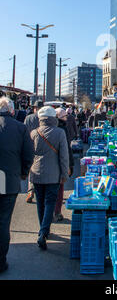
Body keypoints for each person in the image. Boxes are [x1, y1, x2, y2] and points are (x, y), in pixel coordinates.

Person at [0, 97, 34, 273]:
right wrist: (23, 173)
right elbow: (29, 154)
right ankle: (0, 261)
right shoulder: (20, 128)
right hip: (8, 180)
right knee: (3, 222)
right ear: (12, 111)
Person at [30, 106, 69, 250]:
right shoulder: (59, 133)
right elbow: (63, 156)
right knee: (50, 203)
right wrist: (64, 174)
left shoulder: (34, 132)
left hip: (36, 173)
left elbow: (29, 154)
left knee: (40, 203)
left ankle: (43, 229)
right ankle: (43, 232)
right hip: (54, 174)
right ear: (54, 118)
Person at [53, 108, 74, 222]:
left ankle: (46, 217)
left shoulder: (41, 129)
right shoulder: (62, 130)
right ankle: (57, 212)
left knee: (48, 193)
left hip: (44, 167)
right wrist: (70, 165)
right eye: (65, 117)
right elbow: (66, 149)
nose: (66, 118)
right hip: (59, 164)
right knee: (59, 190)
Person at [24, 100, 44, 203]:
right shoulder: (45, 118)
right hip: (43, 146)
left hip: (31, 145)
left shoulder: (28, 118)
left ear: (35, 108)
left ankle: (31, 191)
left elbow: (25, 132)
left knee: (32, 169)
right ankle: (40, 191)